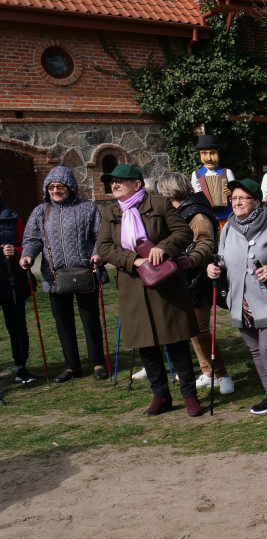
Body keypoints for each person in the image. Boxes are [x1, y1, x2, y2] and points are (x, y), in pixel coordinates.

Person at [97, 164, 202, 416]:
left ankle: (189, 395)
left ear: (136, 184)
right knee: (146, 343)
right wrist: (133, 260)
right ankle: (161, 396)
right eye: (112, 182)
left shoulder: (159, 204)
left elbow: (183, 232)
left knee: (175, 338)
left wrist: (163, 248)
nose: (114, 185)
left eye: (120, 181)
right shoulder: (110, 212)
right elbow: (104, 247)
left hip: (165, 282)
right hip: (133, 284)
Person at [207, 179, 267, 421]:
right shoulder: (228, 228)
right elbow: (223, 258)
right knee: (256, 350)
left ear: (256, 201)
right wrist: (216, 268)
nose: (236, 202)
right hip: (240, 300)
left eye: (242, 198)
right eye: (233, 198)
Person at [19, 166, 104, 383]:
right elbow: (31, 239)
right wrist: (27, 256)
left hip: (85, 271)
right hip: (55, 276)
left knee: (90, 319)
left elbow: (100, 236)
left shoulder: (88, 208)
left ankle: (98, 363)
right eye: (51, 187)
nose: (55, 190)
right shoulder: (40, 211)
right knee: (63, 322)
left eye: (60, 186)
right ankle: (71, 366)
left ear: (70, 187)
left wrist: (97, 255)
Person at [155, 172, 234, 395]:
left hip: (200, 276)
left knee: (199, 329)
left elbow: (206, 243)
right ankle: (207, 372)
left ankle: (221, 374)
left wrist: (191, 260)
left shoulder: (195, 213)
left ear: (169, 191)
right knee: (191, 329)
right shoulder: (176, 211)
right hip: (182, 276)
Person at [1, 194, 34, 383]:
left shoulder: (12, 218)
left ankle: (21, 367)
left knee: (17, 327)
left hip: (11, 280)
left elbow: (26, 244)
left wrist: (16, 252)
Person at [189, 134, 235, 224]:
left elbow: (236, 193)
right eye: (204, 154)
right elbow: (195, 195)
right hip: (206, 214)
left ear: (218, 154)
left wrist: (231, 192)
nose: (209, 158)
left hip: (226, 214)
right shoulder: (196, 174)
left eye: (213, 153)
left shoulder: (227, 172)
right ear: (200, 155)